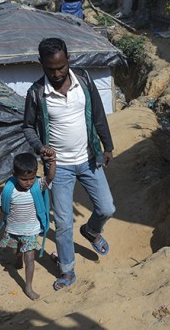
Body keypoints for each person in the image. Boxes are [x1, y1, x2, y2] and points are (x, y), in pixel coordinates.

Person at [22, 37, 116, 291]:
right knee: (63, 223)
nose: (57, 73)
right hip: (58, 168)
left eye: (61, 67)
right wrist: (40, 147)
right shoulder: (36, 93)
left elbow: (98, 114)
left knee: (107, 207)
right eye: (50, 68)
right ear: (41, 63)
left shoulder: (83, 80)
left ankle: (91, 231)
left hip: (88, 159)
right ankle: (66, 269)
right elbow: (28, 127)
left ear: (68, 60)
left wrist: (107, 146)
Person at [0, 151, 56, 300]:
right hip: (13, 230)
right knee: (15, 251)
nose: (29, 182)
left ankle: (28, 286)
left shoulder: (38, 185)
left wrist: (53, 162)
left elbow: (50, 177)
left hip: (31, 231)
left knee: (30, 258)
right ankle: (18, 258)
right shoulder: (8, 190)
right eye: (24, 179)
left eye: (31, 178)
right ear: (15, 174)